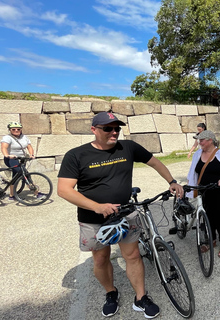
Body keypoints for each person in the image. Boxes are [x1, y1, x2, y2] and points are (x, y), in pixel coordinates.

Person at [57, 112, 184, 318]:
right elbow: (64, 189)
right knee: (100, 259)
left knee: (132, 255)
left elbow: (155, 162)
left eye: (117, 128)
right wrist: (97, 206)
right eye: (108, 128)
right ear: (94, 130)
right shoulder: (76, 155)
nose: (114, 132)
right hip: (93, 219)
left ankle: (140, 297)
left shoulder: (128, 147)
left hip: (125, 214)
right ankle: (111, 292)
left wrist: (172, 181)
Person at [187, 130, 220, 258]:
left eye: (202, 140)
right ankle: (211, 239)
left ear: (210, 140)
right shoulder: (197, 154)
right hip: (204, 190)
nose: (199, 142)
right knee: (208, 215)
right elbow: (193, 171)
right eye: (199, 140)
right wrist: (190, 185)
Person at [1, 121, 38, 201]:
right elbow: (4, 147)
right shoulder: (7, 138)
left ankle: (11, 196)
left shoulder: (24, 137)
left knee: (15, 176)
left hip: (21, 159)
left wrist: (31, 154)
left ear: (21, 130)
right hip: (11, 159)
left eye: (18, 129)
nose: (16, 131)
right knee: (25, 174)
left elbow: (29, 147)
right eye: (13, 129)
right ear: (10, 130)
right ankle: (36, 192)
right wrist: (7, 155)